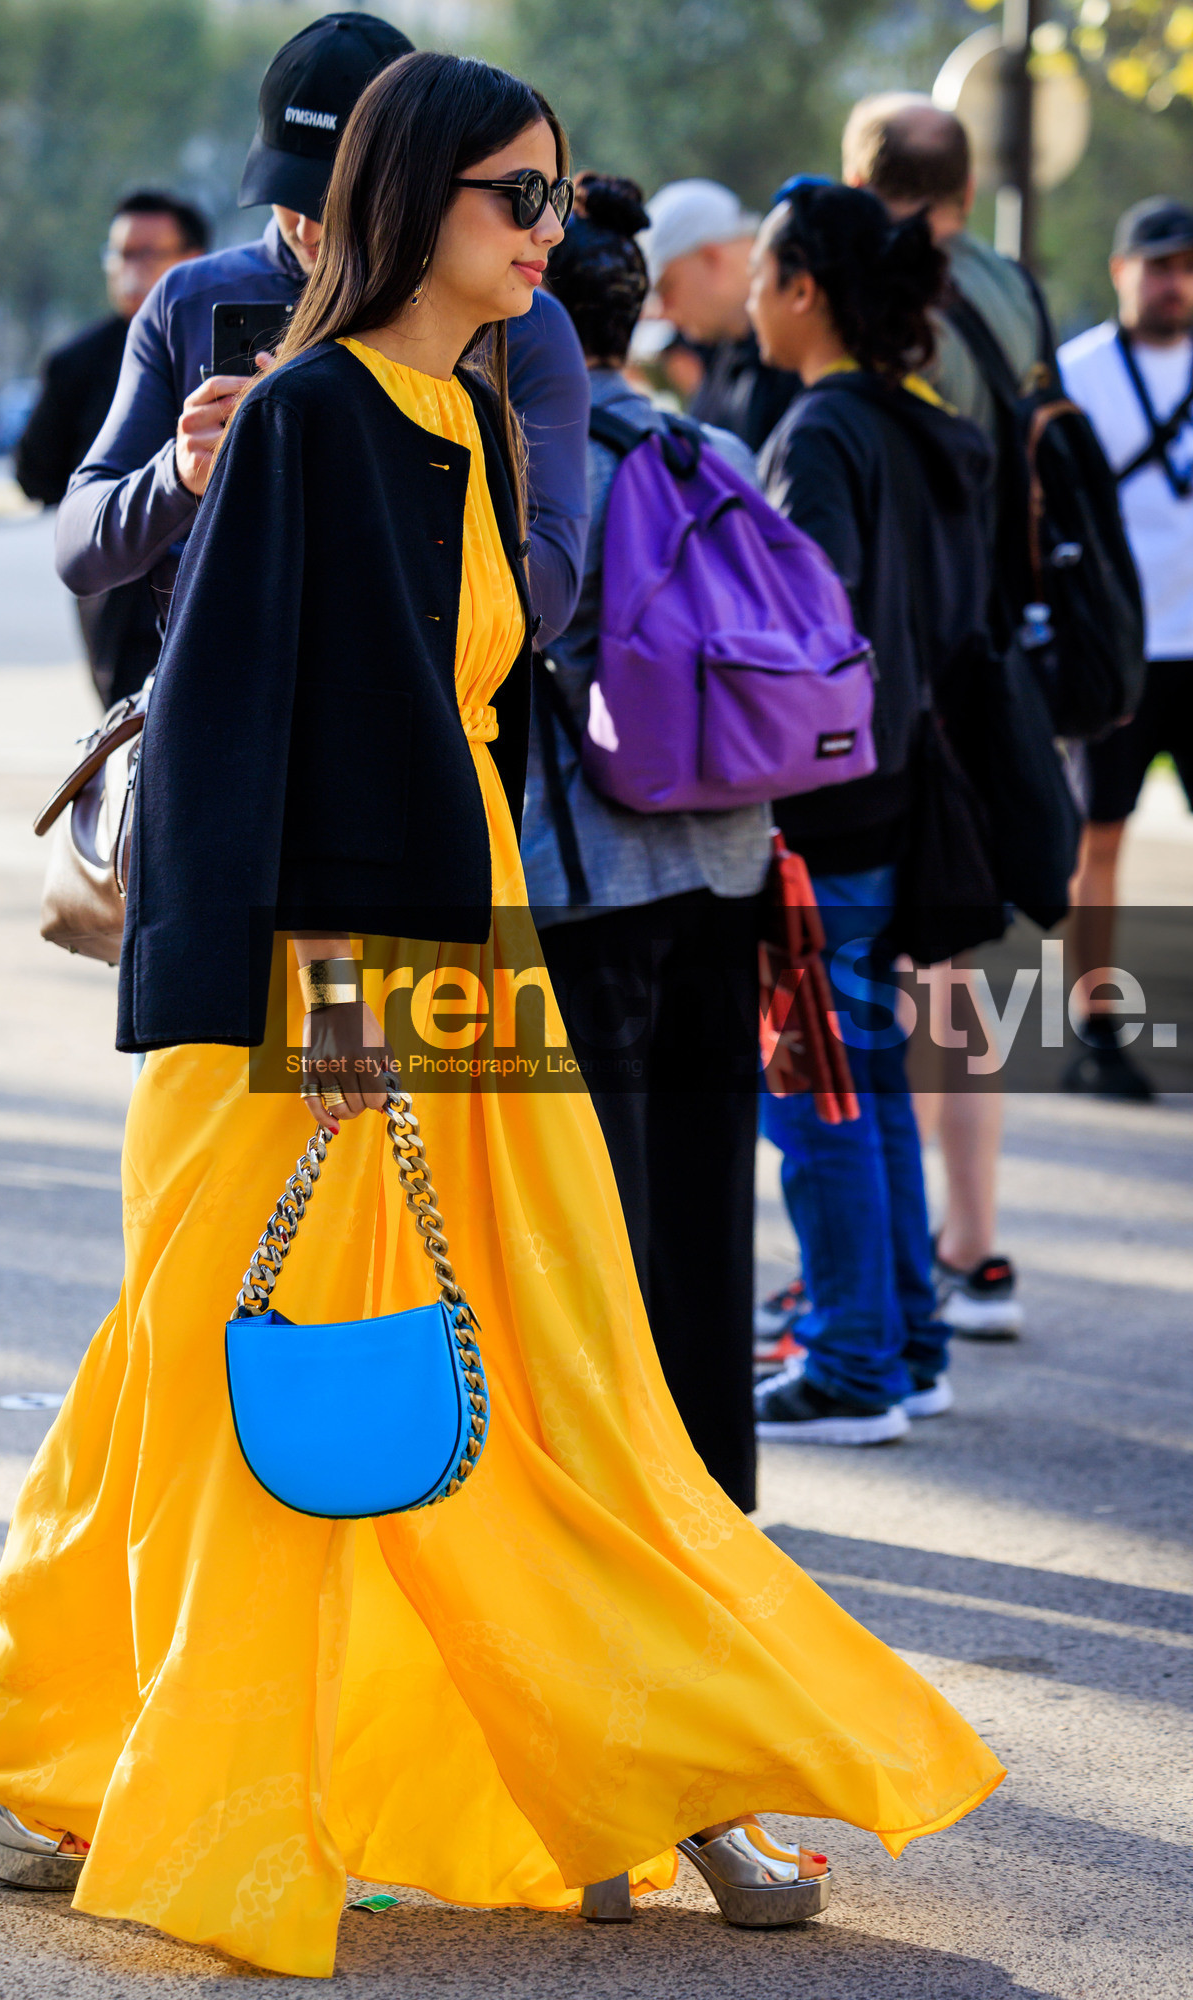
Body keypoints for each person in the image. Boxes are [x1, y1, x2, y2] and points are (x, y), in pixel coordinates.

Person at [0, 59, 1003, 1976]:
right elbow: (237, 721)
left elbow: (482, 704)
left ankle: (651, 1770)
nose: (555, 237)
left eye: (562, 201)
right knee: (223, 1395)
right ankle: (45, 1741)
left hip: (464, 957)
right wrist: (323, 1006)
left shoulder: (469, 413)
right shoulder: (313, 414)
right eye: (520, 199)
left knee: (557, 1370)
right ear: (411, 202)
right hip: (322, 985)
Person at [54, 11, 591, 646]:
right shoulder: (191, 298)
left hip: (437, 716)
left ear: (403, 186)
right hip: (230, 695)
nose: (308, 228)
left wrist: (388, 462)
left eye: (330, 201)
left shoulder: (513, 323)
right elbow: (79, 552)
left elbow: (549, 602)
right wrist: (179, 473)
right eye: (286, 194)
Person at [519, 176, 768, 1513]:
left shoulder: (544, 469)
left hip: (586, 887)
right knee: (706, 1212)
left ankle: (620, 1511)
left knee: (592, 1228)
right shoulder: (705, 453)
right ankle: (720, 1497)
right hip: (724, 872)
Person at [749, 184, 994, 1441]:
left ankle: (851, 1366)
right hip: (907, 797)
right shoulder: (920, 422)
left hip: (826, 814)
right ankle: (906, 1338)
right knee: (871, 1076)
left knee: (813, 1089)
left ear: (802, 290)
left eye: (760, 271)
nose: (745, 294)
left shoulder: (819, 432)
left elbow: (806, 625)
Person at [837, 92, 1042, 1338]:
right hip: (1000, 651)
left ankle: (904, 1261)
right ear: (965, 184)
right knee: (957, 966)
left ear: (863, 180)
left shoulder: (875, 287)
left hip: (912, 665)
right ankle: (973, 1237)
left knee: (889, 973)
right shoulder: (1013, 287)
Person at [1060, 196, 1193, 1102]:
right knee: (1098, 840)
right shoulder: (1077, 373)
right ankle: (1095, 1028)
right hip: (1118, 650)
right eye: (1156, 265)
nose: (1172, 283)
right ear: (1121, 271)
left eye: (1184, 266)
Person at [15, 190, 208, 708]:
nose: (131, 269)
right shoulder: (77, 362)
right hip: (118, 588)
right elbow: (35, 471)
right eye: (121, 253)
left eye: (149, 253)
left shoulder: (226, 345)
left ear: (193, 261)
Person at [642, 178, 800, 451]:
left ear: (712, 259)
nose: (661, 310)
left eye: (666, 288)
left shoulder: (798, 352)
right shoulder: (726, 354)